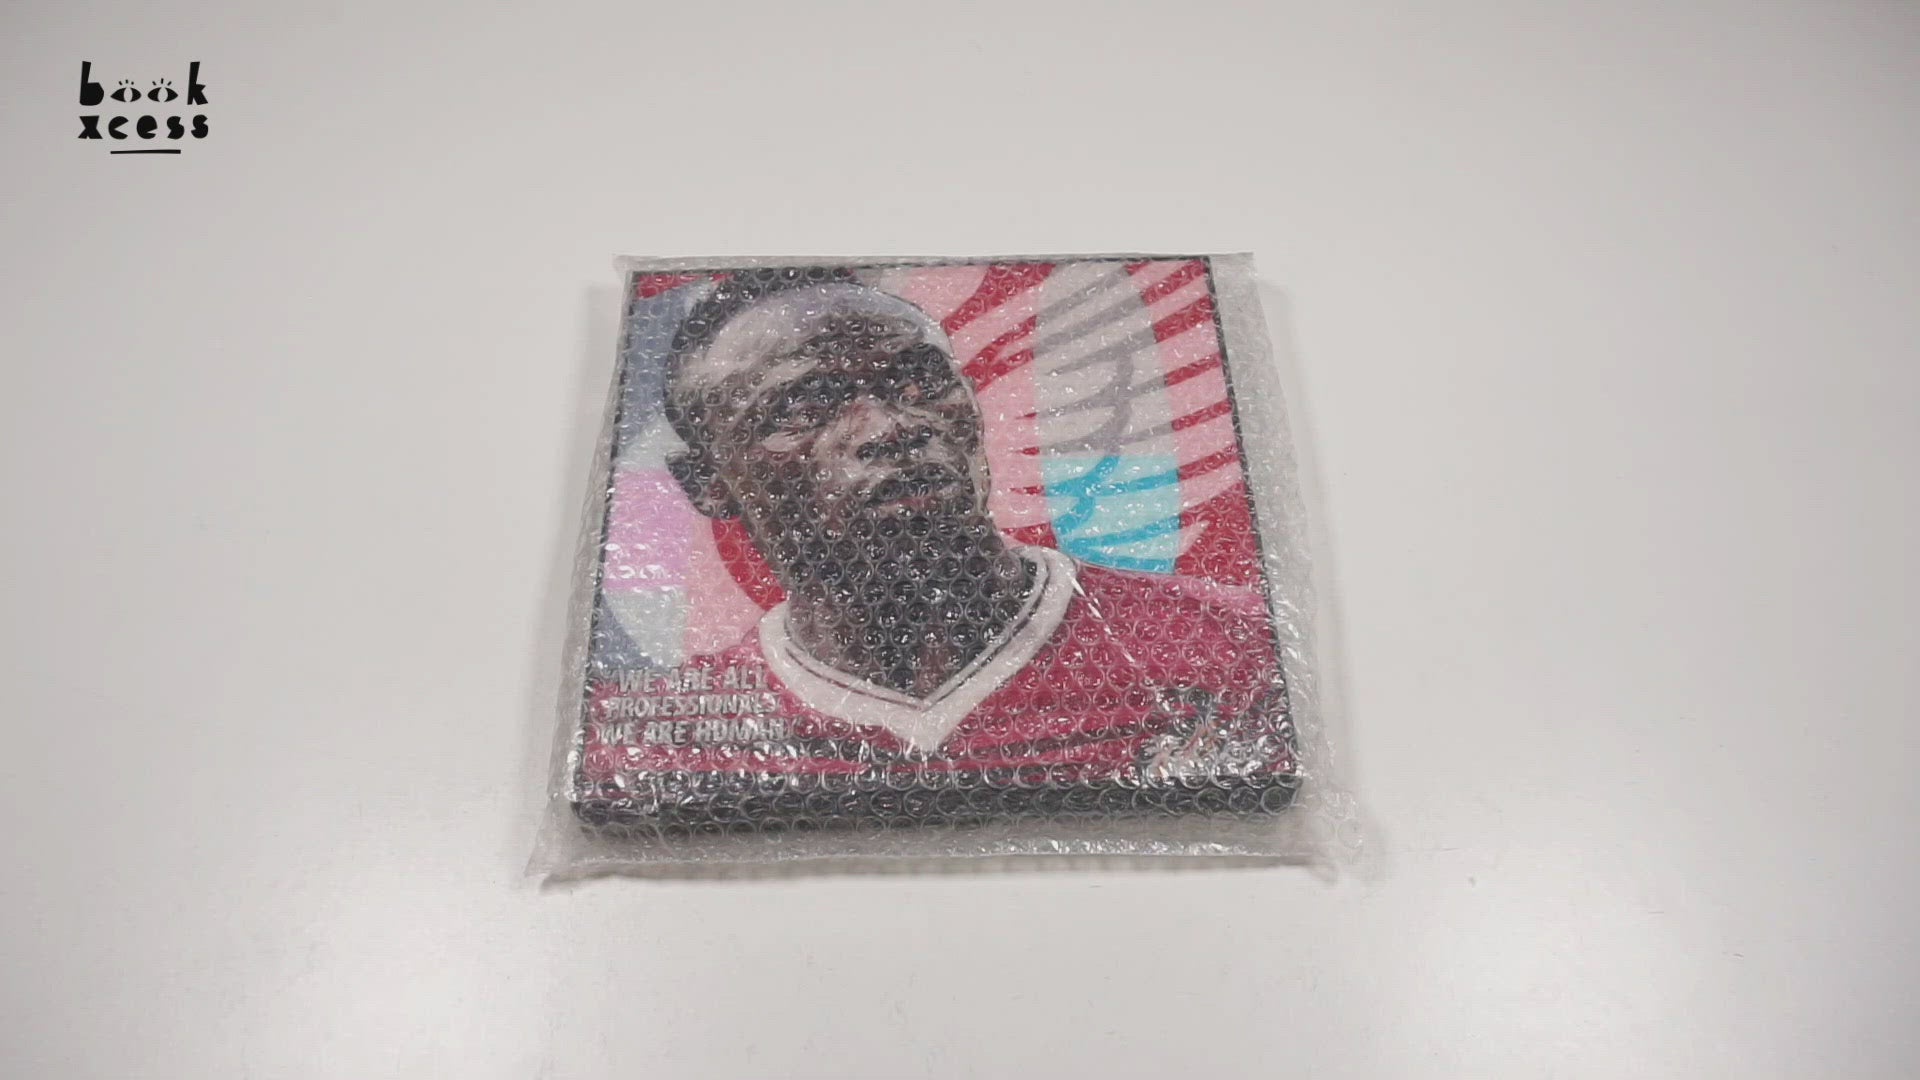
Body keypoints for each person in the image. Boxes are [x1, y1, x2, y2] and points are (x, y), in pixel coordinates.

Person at [597, 270, 1295, 805]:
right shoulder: (663, 739)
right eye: (805, 407)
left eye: (918, 382)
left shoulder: (1236, 647)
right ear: (708, 482)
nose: (890, 428)